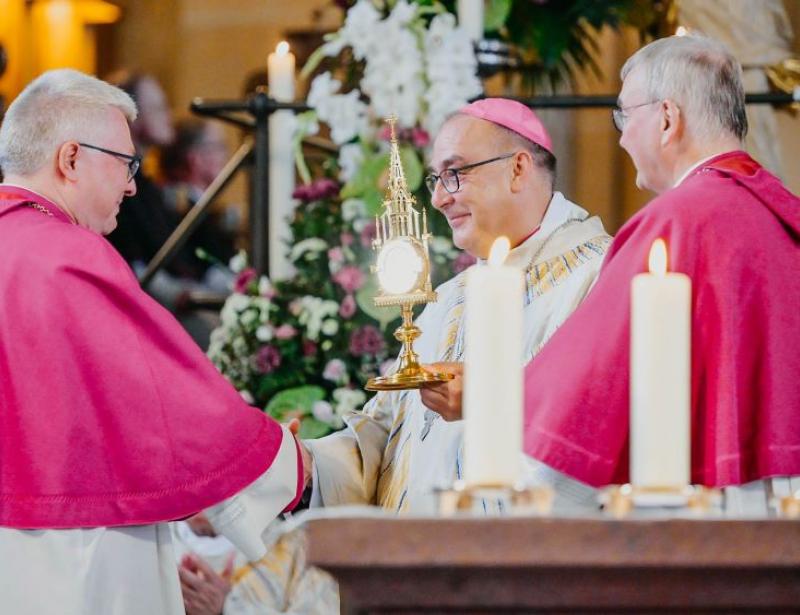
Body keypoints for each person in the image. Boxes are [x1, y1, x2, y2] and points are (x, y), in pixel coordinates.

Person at [182, 98, 612, 613]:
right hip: (410, 583)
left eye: (455, 174)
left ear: (519, 167)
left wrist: (492, 396)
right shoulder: (451, 298)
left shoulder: (596, 279)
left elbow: (596, 428)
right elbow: (387, 440)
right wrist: (297, 467)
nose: (442, 199)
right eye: (435, 181)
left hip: (513, 584)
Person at [0, 68, 308, 615]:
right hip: (77, 550)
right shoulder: (70, 255)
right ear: (70, 159)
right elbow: (165, 402)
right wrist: (288, 465)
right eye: (124, 163)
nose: (132, 185)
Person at [523, 34, 800, 513]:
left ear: (668, 118)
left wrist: (496, 399)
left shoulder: (677, 221)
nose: (623, 135)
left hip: (709, 505)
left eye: (625, 115)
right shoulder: (783, 211)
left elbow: (587, 383)